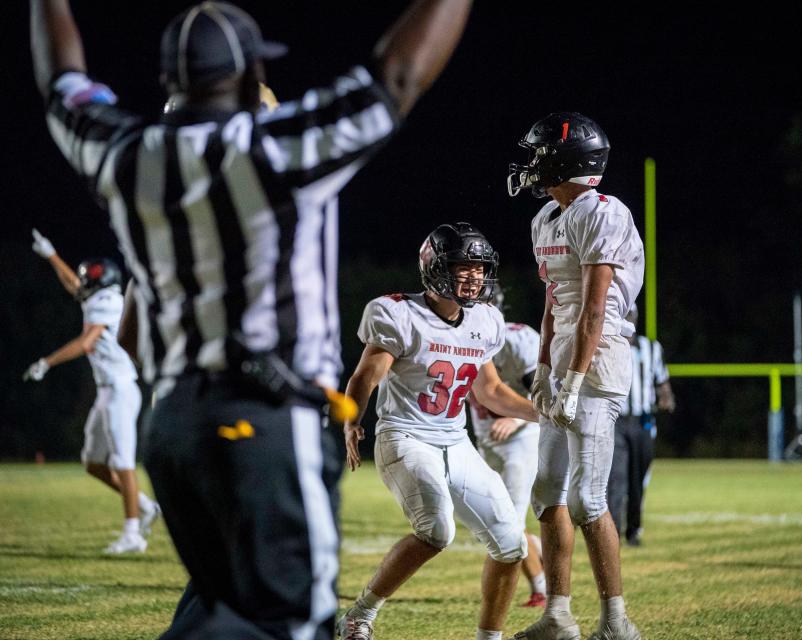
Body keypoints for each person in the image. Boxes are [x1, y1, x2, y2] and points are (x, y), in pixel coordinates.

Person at [31, 0, 474, 636]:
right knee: (292, 623)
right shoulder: (276, 151)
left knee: (217, 610)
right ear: (248, 79)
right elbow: (399, 76)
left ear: (167, 81)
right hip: (264, 423)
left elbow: (60, 83)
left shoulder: (126, 155)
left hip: (175, 425)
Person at [338, 223, 540, 640]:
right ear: (434, 267)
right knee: (436, 530)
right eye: (462, 266)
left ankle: (489, 637)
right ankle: (360, 615)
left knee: (511, 544)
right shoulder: (398, 312)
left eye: (479, 268)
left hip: (455, 440)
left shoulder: (484, 320)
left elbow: (492, 391)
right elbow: (366, 377)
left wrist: (543, 413)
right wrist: (352, 421)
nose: (474, 276)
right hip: (405, 436)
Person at [507, 112, 646, 640]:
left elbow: (594, 307)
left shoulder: (603, 212)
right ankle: (558, 616)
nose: (534, 163)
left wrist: (572, 380)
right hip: (564, 354)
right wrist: (543, 366)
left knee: (589, 499)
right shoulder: (546, 216)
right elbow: (554, 302)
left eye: (542, 154)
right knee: (547, 494)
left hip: (600, 356)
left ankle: (617, 622)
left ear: (566, 161)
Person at [24, 231, 161, 554]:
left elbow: (87, 342)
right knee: (93, 462)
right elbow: (75, 284)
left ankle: (132, 534)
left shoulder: (109, 301)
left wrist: (47, 361)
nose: (83, 286)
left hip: (120, 390)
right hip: (107, 392)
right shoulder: (101, 297)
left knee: (123, 461)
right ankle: (145, 506)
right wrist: (51, 254)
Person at [468, 285, 547, 608]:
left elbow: (544, 398)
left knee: (509, 523)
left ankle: (541, 588)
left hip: (521, 437)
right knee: (494, 518)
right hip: (484, 438)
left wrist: (516, 419)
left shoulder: (517, 340)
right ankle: (539, 550)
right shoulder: (455, 337)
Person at [606, 310, 675, 547]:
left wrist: (666, 397)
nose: (628, 321)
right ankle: (612, 533)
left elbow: (661, 381)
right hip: (615, 420)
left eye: (631, 316)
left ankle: (633, 531)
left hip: (643, 421)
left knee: (638, 478)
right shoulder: (608, 344)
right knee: (616, 478)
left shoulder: (651, 348)